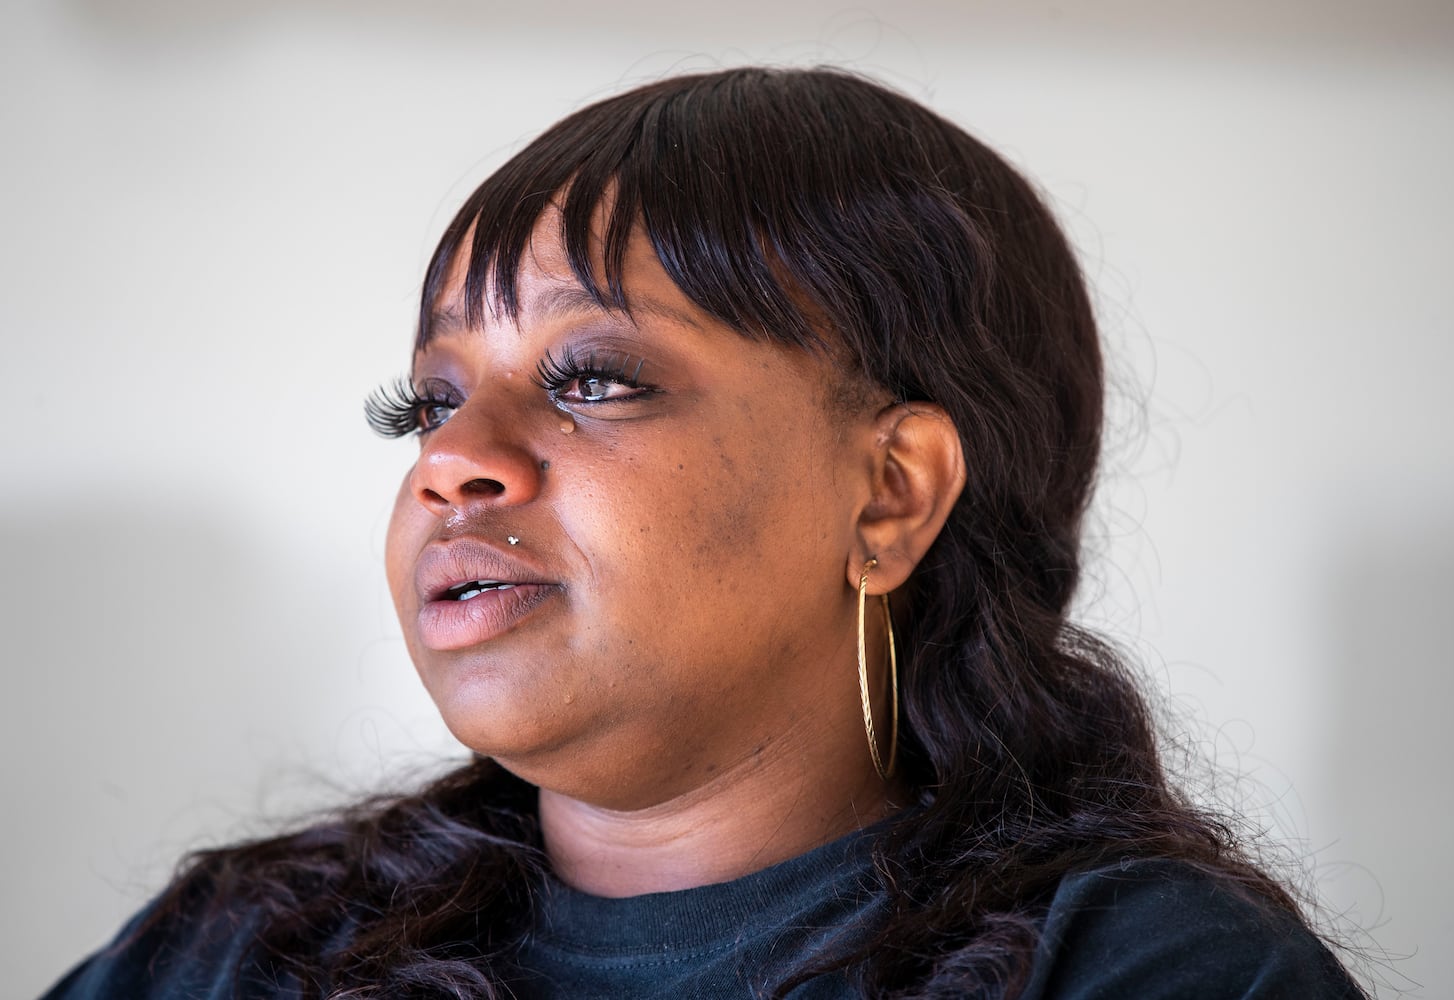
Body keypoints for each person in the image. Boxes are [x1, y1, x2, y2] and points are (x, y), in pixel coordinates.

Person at [42, 66, 1366, 999]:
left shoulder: (1147, 973)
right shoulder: (238, 953)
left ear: (890, 493)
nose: (455, 461)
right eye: (430, 402)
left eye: (592, 380)